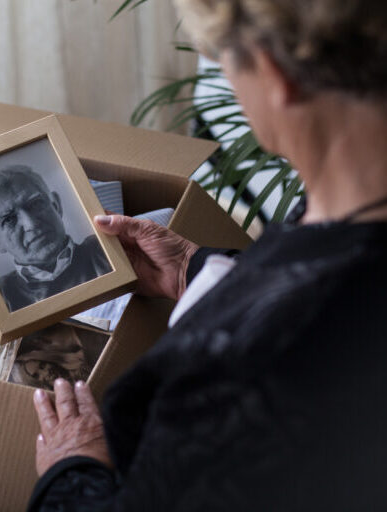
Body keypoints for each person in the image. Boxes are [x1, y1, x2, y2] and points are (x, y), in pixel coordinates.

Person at [28, 0, 387, 510]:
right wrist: (199, 273)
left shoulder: (239, 369)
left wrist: (72, 467)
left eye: (223, 60)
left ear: (273, 73)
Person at [0, 165, 111, 311]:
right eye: (9, 219)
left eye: (35, 204)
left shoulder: (106, 250)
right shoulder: (0, 298)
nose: (31, 224)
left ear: (56, 206)